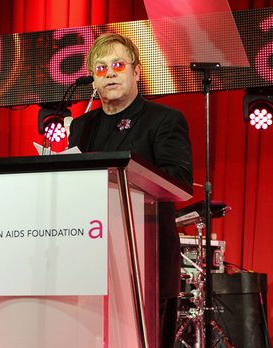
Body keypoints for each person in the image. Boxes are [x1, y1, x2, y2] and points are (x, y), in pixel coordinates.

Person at [68, 32, 193, 347]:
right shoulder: (83, 126)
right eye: (100, 68)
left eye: (118, 64)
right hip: (91, 257)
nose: (109, 72)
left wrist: (124, 174)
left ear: (136, 72)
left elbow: (177, 180)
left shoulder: (163, 120)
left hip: (146, 256)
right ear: (94, 81)